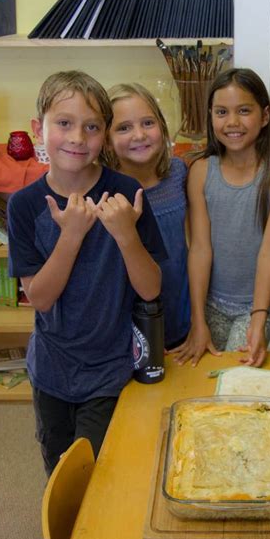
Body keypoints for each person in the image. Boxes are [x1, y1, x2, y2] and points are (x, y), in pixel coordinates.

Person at [7, 71, 167, 476]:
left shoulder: (126, 192)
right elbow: (40, 298)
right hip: (51, 370)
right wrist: (72, 235)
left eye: (92, 126)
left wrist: (126, 234)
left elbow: (150, 289)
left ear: (105, 135)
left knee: (98, 473)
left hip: (110, 368)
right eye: (64, 123)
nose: (78, 138)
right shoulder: (24, 205)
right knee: (60, 471)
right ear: (37, 128)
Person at [173, 67, 270, 368]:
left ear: (264, 116)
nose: (232, 122)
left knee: (233, 382)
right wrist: (197, 318)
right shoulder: (201, 171)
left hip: (254, 305)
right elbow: (200, 248)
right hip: (209, 302)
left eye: (244, 111)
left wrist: (259, 317)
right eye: (221, 112)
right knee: (201, 377)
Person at [101, 82, 190, 350]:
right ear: (106, 139)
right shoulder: (103, 192)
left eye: (148, 122)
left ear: (162, 127)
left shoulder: (179, 174)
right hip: (127, 329)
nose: (139, 135)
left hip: (181, 315)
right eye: (124, 128)